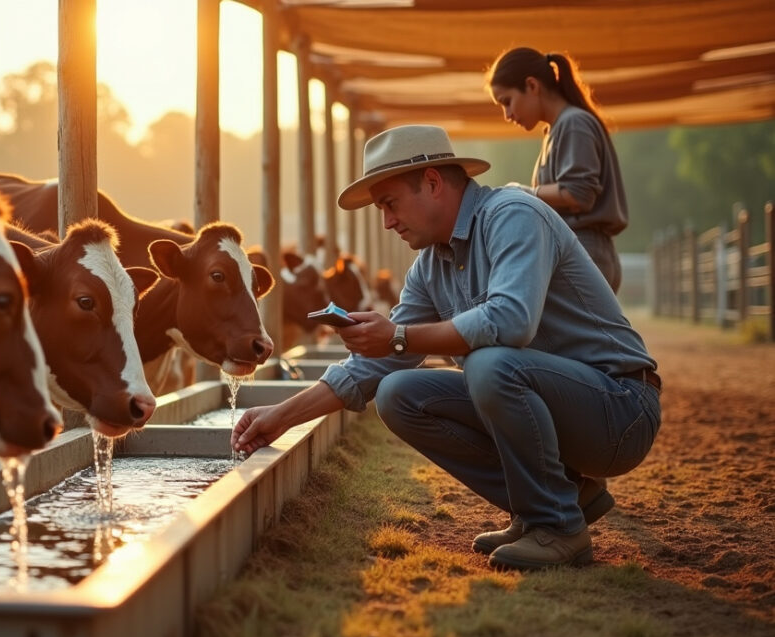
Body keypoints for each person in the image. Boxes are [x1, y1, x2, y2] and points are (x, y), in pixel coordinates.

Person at [231, 124, 661, 571]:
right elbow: (371, 367)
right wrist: (280, 416)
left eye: (391, 204)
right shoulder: (430, 267)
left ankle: (557, 526)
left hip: (619, 411)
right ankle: (554, 501)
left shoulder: (514, 215)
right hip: (562, 412)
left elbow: (510, 321)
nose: (388, 222)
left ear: (433, 183)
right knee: (398, 394)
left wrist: (398, 335)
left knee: (490, 364)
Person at [486, 47, 628, 294]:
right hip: (579, 250)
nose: (507, 115)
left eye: (507, 102)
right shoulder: (556, 129)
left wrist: (524, 193)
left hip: (585, 250)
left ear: (532, 85)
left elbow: (579, 194)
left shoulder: (573, 123)